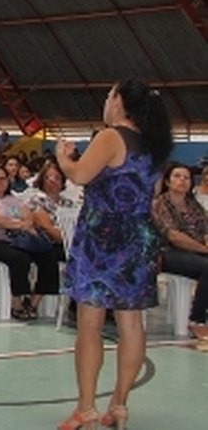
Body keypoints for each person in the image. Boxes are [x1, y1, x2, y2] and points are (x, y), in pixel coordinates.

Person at [55, 80, 172, 430]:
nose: (106, 101)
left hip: (101, 239)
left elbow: (80, 175)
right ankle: (119, 405)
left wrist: (64, 157)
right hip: (139, 238)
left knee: (90, 324)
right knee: (132, 324)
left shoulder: (110, 137)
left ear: (120, 102)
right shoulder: (154, 146)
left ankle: (86, 407)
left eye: (109, 95)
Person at [0, 164, 59, 321]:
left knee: (49, 255)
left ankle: (34, 302)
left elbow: (28, 215)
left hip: (19, 240)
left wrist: (25, 223)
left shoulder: (12, 199)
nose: (2, 182)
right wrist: (19, 224)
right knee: (20, 259)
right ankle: (17, 303)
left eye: (5, 179)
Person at [151, 163, 208, 342]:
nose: (182, 181)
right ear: (168, 181)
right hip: (167, 253)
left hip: (197, 251)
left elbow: (206, 230)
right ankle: (197, 320)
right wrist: (204, 249)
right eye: (177, 176)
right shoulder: (159, 204)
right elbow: (174, 236)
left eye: (186, 177)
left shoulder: (194, 206)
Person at [24, 163, 73, 261]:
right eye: (47, 178)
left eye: (57, 177)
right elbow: (52, 233)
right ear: (42, 181)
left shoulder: (69, 203)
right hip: (50, 246)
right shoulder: (35, 202)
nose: (53, 181)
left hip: (71, 242)